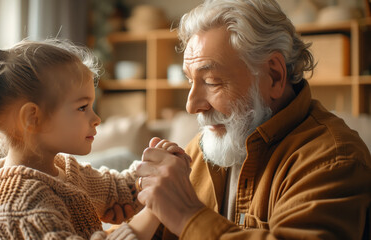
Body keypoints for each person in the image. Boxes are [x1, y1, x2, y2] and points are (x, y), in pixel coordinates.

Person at [134, 0, 371, 239]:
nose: (191, 105)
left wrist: (187, 217)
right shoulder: (204, 147)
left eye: (212, 81)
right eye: (190, 81)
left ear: (274, 76)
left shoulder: (334, 160)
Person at [0, 38, 186, 239]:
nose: (97, 118)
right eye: (83, 107)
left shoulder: (65, 171)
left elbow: (118, 189)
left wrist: (157, 170)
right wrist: (154, 210)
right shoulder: (20, 205)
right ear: (32, 118)